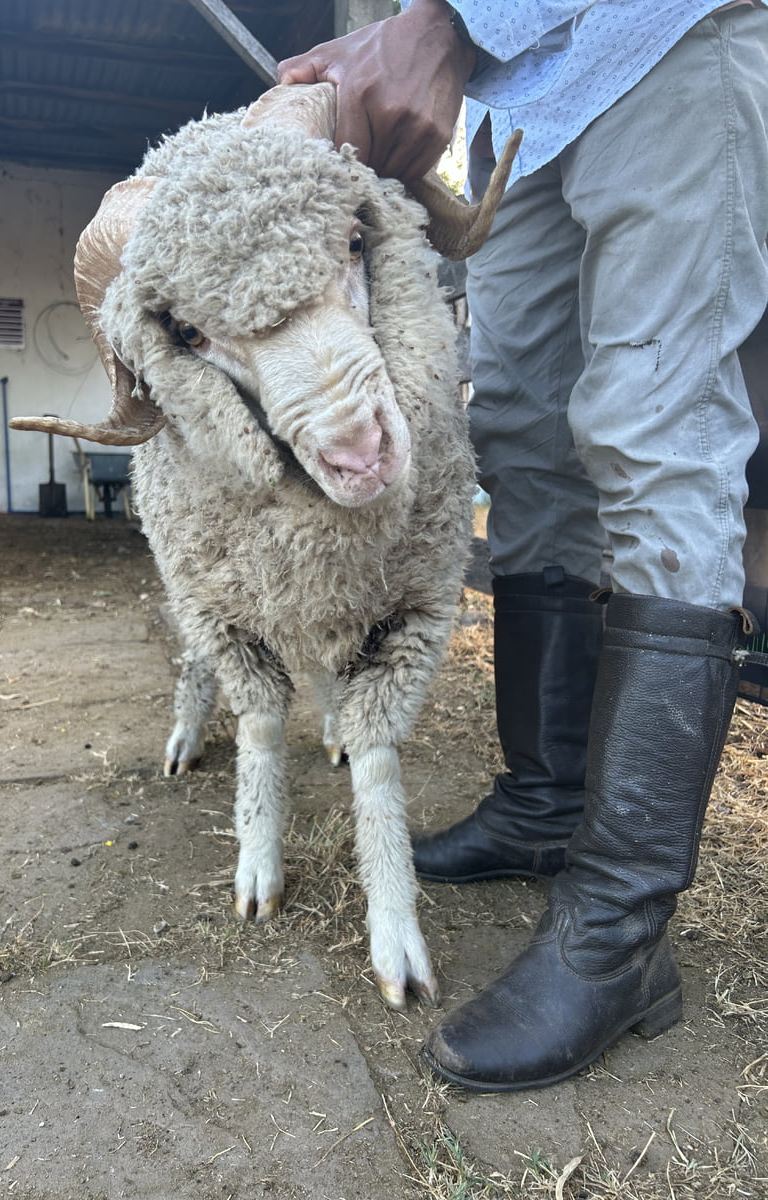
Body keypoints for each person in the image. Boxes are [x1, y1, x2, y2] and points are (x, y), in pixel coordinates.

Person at [279, 0, 768, 1092]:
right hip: (535, 108)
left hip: (671, 34)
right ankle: (547, 803)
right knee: (522, 433)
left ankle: (618, 934)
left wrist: (447, 22)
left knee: (658, 424)